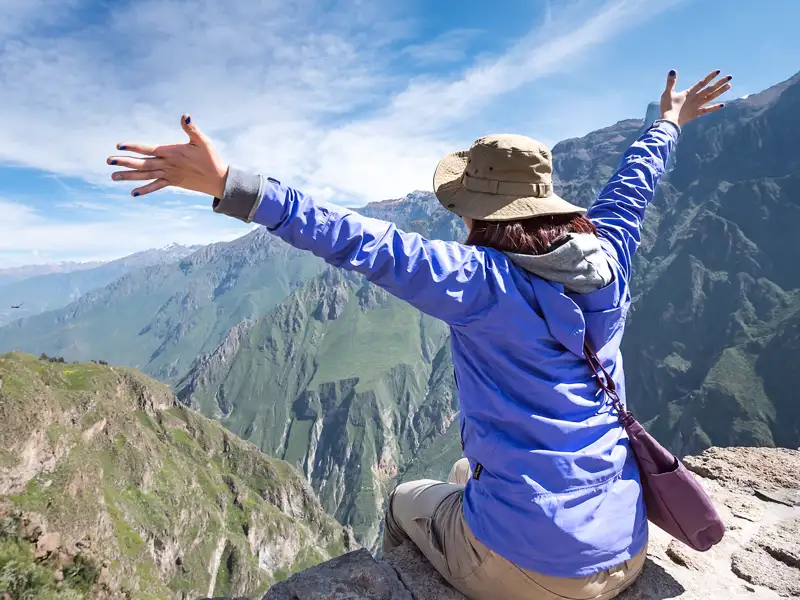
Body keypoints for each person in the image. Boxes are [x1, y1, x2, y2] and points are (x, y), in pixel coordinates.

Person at [108, 69, 731, 600]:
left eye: (462, 204)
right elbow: (633, 187)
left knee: (409, 495)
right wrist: (668, 123)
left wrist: (227, 184)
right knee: (465, 472)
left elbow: (354, 239)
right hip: (628, 546)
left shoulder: (478, 281)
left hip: (537, 573)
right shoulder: (609, 253)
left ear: (478, 210)